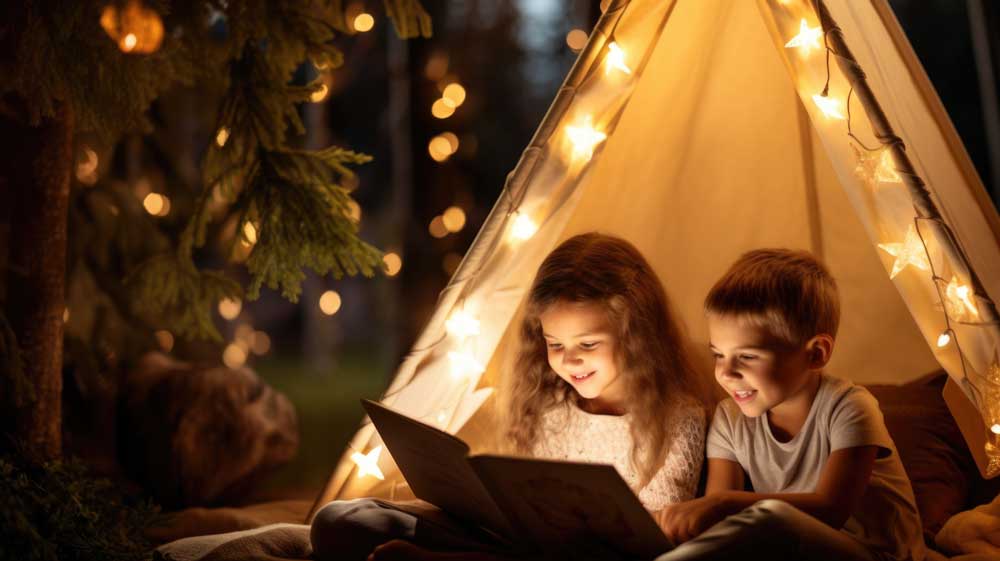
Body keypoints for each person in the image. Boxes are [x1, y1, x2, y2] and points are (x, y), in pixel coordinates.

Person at [310, 232, 709, 561]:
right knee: (342, 520)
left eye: (587, 344)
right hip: (507, 541)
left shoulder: (678, 418)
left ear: (635, 335)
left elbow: (656, 534)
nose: (569, 361)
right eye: (554, 344)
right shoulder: (549, 403)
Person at [653, 249, 925, 561]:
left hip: (876, 554)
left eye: (748, 356)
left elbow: (830, 509)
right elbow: (717, 523)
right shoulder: (729, 419)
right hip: (795, 550)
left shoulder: (850, 407)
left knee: (773, 521)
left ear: (816, 354)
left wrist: (725, 504)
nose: (726, 373)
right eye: (718, 354)